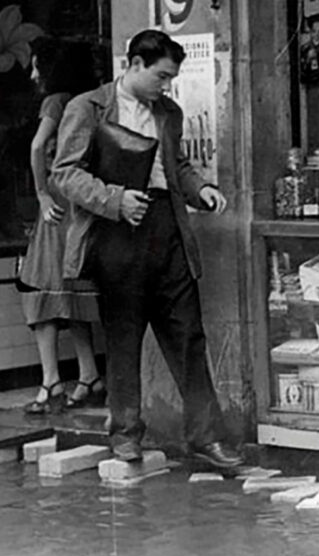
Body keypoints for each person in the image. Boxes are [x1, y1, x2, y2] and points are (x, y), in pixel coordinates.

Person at [50, 30, 242, 470]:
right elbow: (64, 174)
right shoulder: (88, 108)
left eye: (172, 78)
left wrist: (201, 191)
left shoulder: (168, 112)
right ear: (134, 64)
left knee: (189, 336)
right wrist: (115, 201)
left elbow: (176, 167)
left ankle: (206, 437)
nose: (167, 86)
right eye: (160, 76)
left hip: (167, 228)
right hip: (116, 236)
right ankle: (125, 436)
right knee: (123, 339)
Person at [17, 39, 104, 415]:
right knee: (74, 294)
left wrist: (40, 193)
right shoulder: (90, 100)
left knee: (39, 293)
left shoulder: (55, 102)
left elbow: (38, 147)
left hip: (56, 205)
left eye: (38, 66)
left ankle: (51, 379)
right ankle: (88, 376)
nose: (34, 75)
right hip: (79, 202)